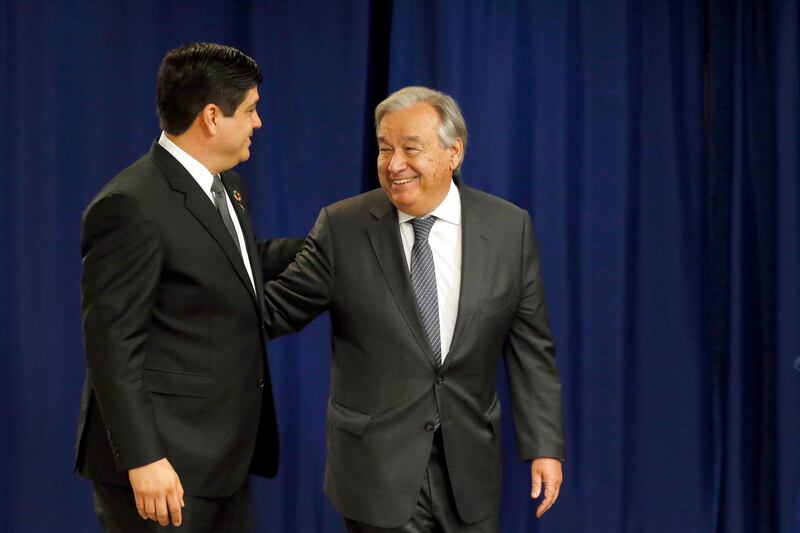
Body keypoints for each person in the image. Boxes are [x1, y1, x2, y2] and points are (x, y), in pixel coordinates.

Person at [264, 86, 564, 532]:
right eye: (385, 149)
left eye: (410, 149)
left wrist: (545, 445)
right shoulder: (343, 226)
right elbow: (275, 311)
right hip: (376, 470)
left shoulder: (508, 228)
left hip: (470, 471)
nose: (394, 164)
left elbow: (531, 348)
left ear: (453, 153)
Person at [74, 42, 301, 531]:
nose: (258, 123)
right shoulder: (130, 205)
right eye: (252, 110)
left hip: (221, 460)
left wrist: (332, 245)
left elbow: (238, 264)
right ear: (213, 117)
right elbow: (112, 344)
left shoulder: (227, 185)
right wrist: (144, 459)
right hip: (165, 470)